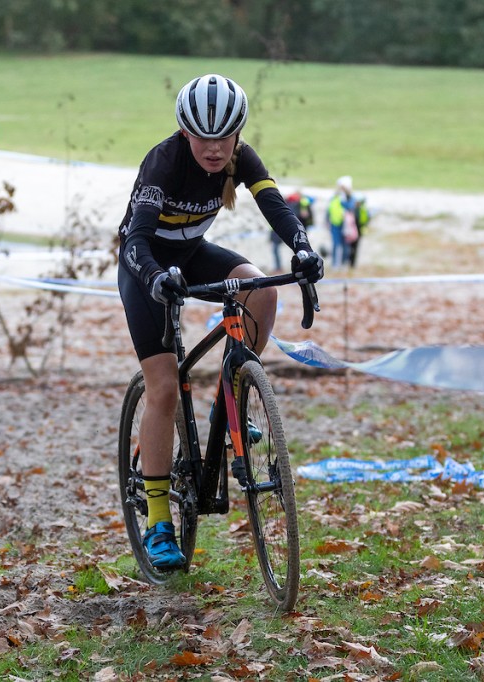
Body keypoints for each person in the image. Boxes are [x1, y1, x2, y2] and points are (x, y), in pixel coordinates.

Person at [116, 74, 324, 569]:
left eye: (223, 138)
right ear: (185, 133)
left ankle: (230, 401)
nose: (214, 149)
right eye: (203, 138)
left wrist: (302, 248)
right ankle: (160, 521)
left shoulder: (241, 157)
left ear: (236, 134)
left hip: (191, 253)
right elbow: (136, 241)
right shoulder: (164, 161)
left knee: (257, 285)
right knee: (164, 387)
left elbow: (274, 204)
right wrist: (153, 280)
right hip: (144, 265)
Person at [273, 191, 314, 271]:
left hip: (288, 228)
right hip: (296, 228)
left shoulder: (299, 202)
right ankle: (296, 265)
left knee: (295, 249)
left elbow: (303, 215)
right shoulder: (301, 202)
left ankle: (280, 267)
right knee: (297, 248)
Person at [326, 176, 356, 267]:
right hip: (335, 223)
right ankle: (335, 264)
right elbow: (329, 209)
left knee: (345, 245)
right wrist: (327, 220)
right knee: (336, 244)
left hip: (346, 224)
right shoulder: (335, 197)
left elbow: (351, 207)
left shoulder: (350, 197)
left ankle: (344, 263)